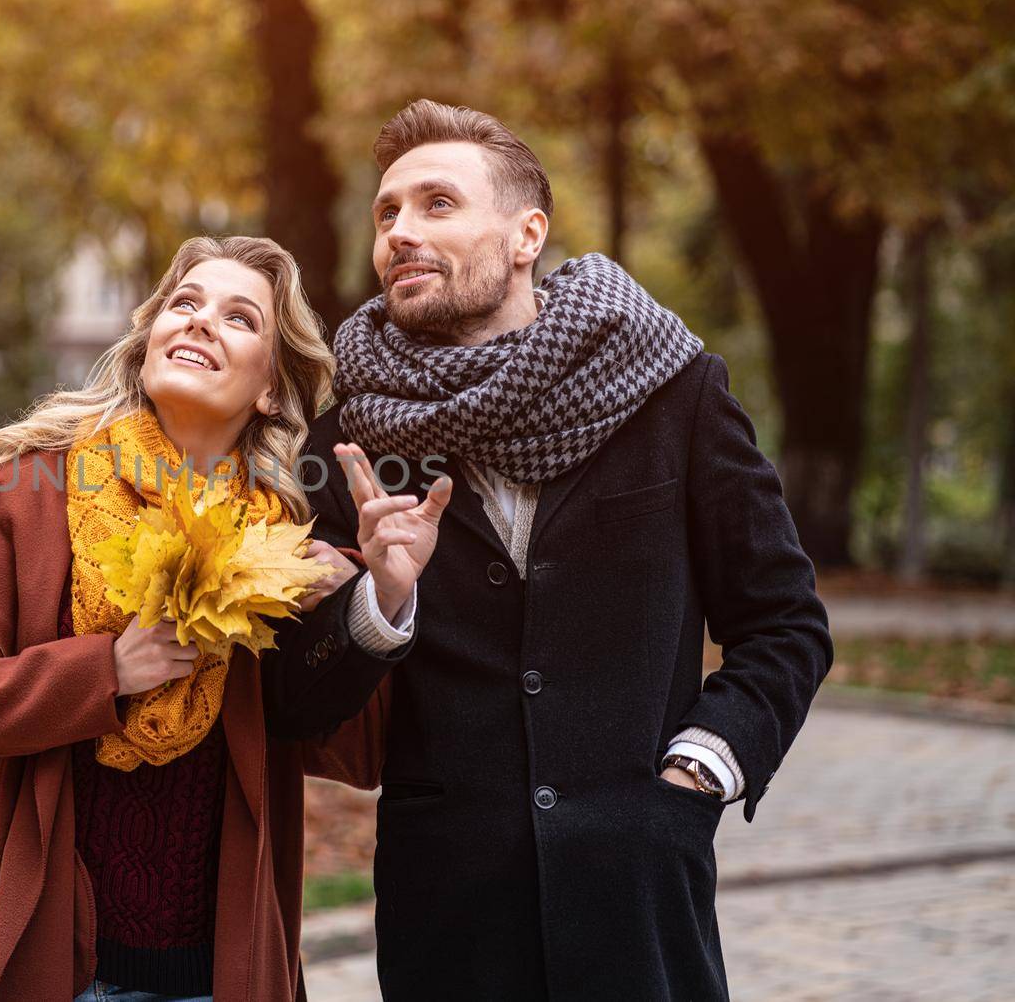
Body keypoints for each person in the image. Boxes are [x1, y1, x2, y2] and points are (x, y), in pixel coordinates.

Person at [267, 100, 834, 1000]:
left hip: (642, 903)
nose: (401, 233)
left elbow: (785, 624)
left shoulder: (670, 391)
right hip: (448, 925)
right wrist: (378, 603)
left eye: (437, 204)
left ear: (527, 233)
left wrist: (698, 774)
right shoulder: (352, 438)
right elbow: (295, 700)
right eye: (387, 213)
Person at [0, 234, 450, 1002]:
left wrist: (377, 599)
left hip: (213, 975)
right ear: (149, 339)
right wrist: (106, 671)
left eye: (238, 317)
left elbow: (356, 755)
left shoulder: (283, 543)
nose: (198, 322)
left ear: (267, 387)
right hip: (44, 957)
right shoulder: (33, 490)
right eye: (183, 305)